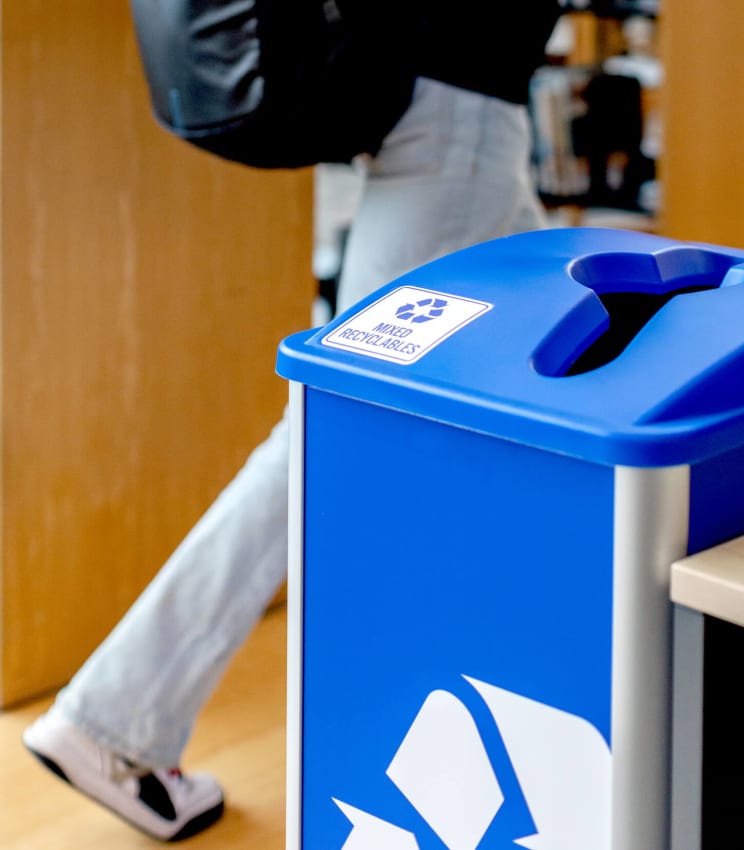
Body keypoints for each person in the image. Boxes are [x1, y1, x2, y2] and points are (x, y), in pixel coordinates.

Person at [22, 3, 562, 841]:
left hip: (452, 111)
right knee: (329, 434)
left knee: (529, 391)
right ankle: (113, 722)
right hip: (456, 117)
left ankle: (529, 654)